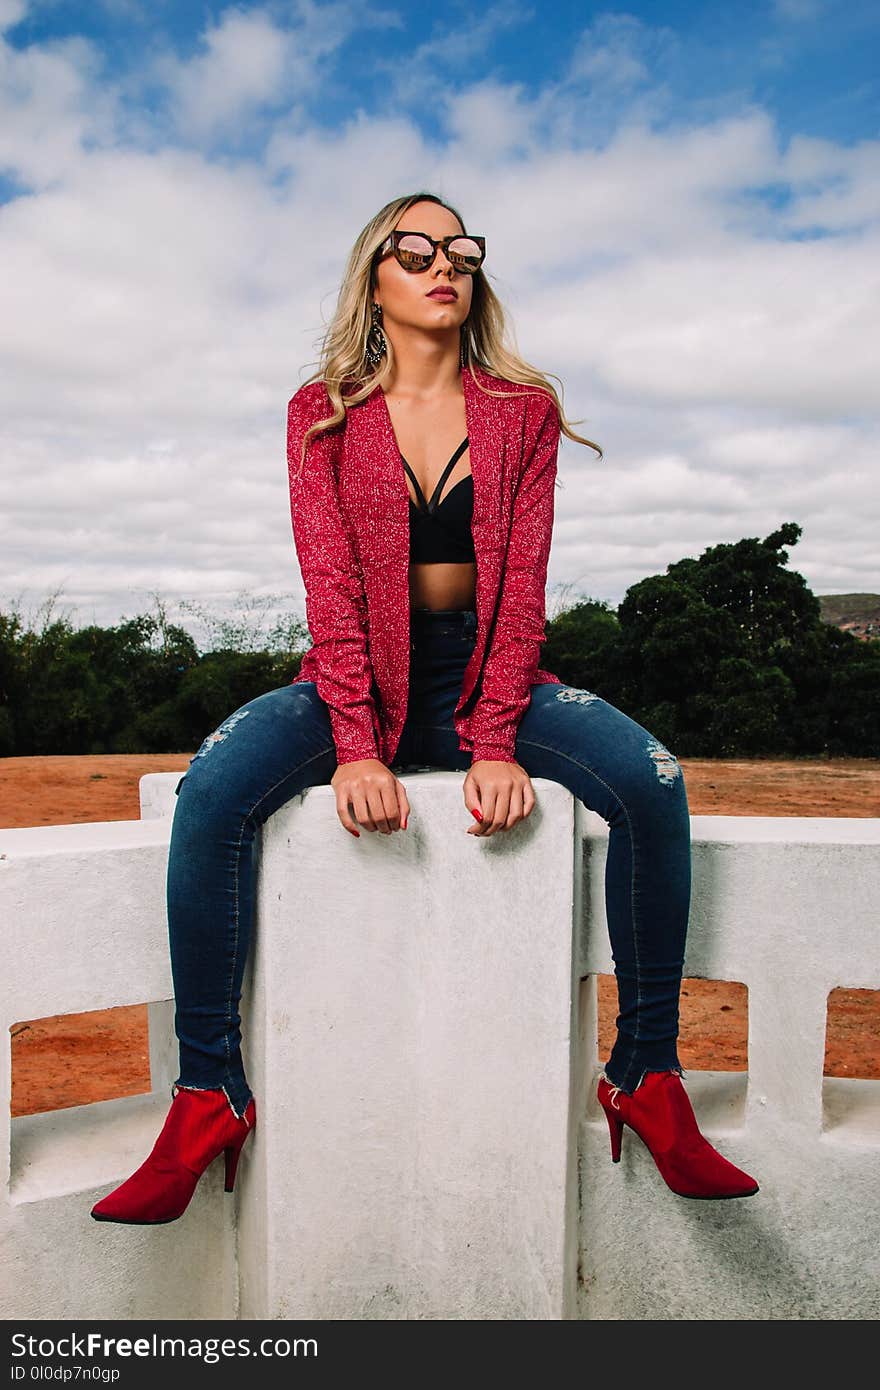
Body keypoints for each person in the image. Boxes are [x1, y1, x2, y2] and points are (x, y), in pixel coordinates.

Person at [90, 191, 758, 1226]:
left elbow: (523, 584)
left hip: (488, 671)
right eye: (415, 249)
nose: (442, 264)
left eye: (459, 250)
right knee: (213, 787)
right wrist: (356, 745)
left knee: (650, 778)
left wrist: (496, 735)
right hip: (353, 678)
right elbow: (332, 586)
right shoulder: (324, 410)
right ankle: (206, 1089)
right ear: (375, 278)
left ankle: (646, 1074)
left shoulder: (519, 412)